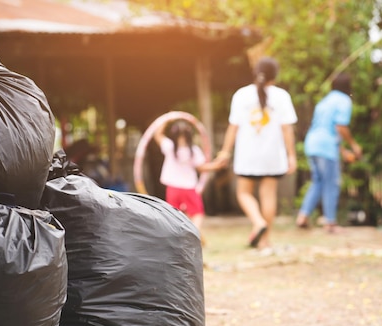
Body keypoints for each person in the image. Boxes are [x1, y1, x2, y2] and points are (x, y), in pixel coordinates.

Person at [214, 57, 298, 249]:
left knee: (244, 193)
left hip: (248, 155)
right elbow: (287, 130)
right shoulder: (282, 96)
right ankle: (265, 240)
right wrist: (291, 155)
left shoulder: (241, 95)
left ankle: (257, 221)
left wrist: (225, 152)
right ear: (274, 76)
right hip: (273, 155)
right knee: (268, 195)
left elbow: (232, 128)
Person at [295, 72, 362, 233]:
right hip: (326, 146)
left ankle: (303, 216)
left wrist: (343, 150)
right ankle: (330, 223)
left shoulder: (324, 101)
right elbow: (340, 127)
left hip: (312, 143)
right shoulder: (344, 100)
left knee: (318, 181)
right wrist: (354, 145)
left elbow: (327, 128)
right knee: (331, 183)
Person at [153, 118, 221, 239]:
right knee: (197, 213)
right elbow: (202, 167)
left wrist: (166, 120)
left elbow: (157, 134)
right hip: (189, 187)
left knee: (173, 215)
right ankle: (194, 233)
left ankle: (178, 237)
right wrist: (217, 165)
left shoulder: (169, 146)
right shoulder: (194, 150)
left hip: (173, 188)